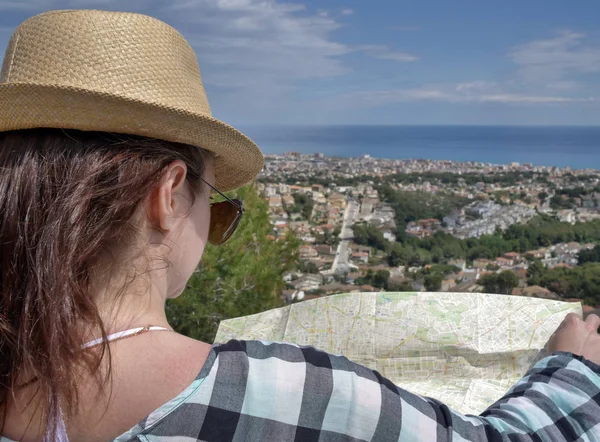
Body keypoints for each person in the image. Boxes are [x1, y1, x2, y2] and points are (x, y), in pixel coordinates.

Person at [0, 9, 599, 442]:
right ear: (168, 194)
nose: (215, 227)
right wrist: (573, 371)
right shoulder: (287, 395)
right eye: (218, 203)